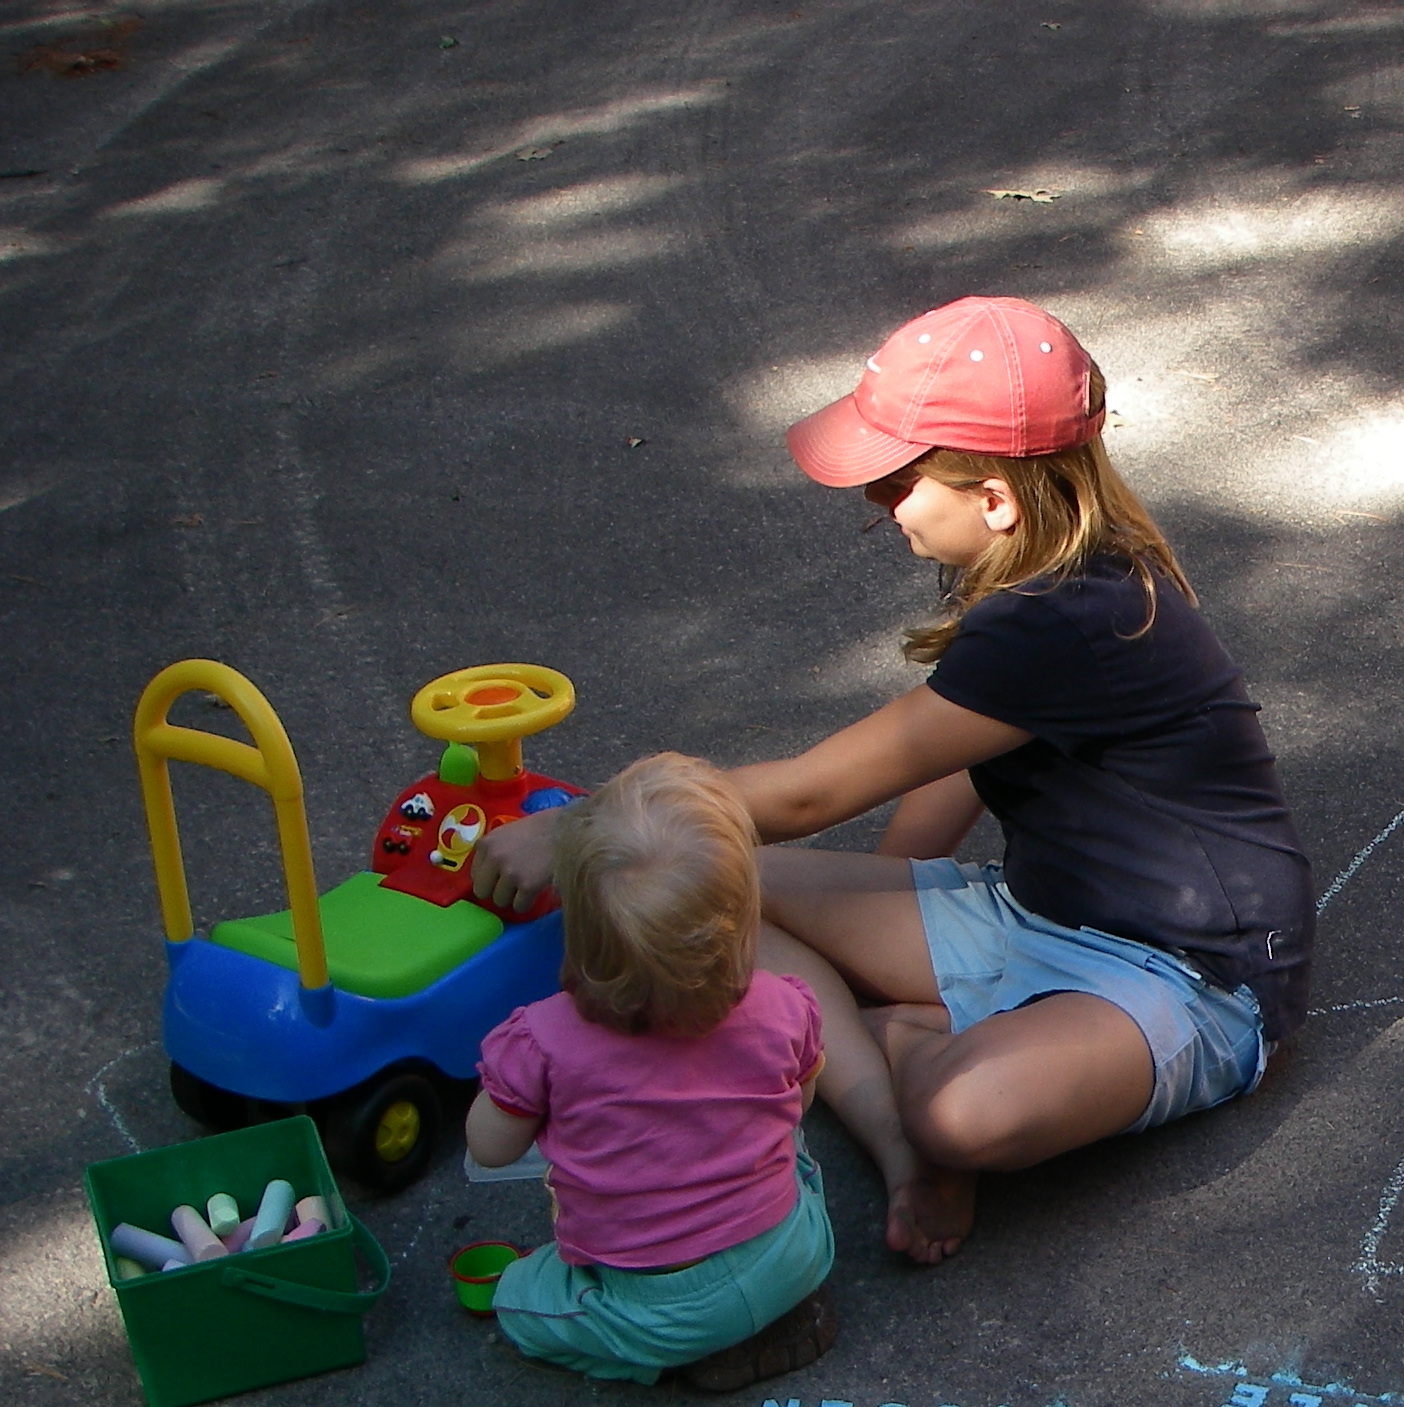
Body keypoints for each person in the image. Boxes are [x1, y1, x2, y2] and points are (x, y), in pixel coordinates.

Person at [471, 296, 1311, 1264]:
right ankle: (892, 1121)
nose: (877, 504)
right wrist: (887, 912)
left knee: (963, 1113)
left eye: (896, 482)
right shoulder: (1044, 572)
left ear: (994, 499)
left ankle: (910, 1054)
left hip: (1188, 973)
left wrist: (579, 829)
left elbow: (807, 796)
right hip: (1036, 913)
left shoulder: (1066, 617)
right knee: (705, 895)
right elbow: (958, 759)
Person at [465, 753, 837, 1389]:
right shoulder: (785, 1005)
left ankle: (670, 1353)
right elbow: (798, 1103)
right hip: (794, 1253)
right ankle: (768, 1319)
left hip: (657, 1306)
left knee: (520, 1301)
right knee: (789, 1145)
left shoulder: (540, 1041)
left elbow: (489, 1148)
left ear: (579, 930)